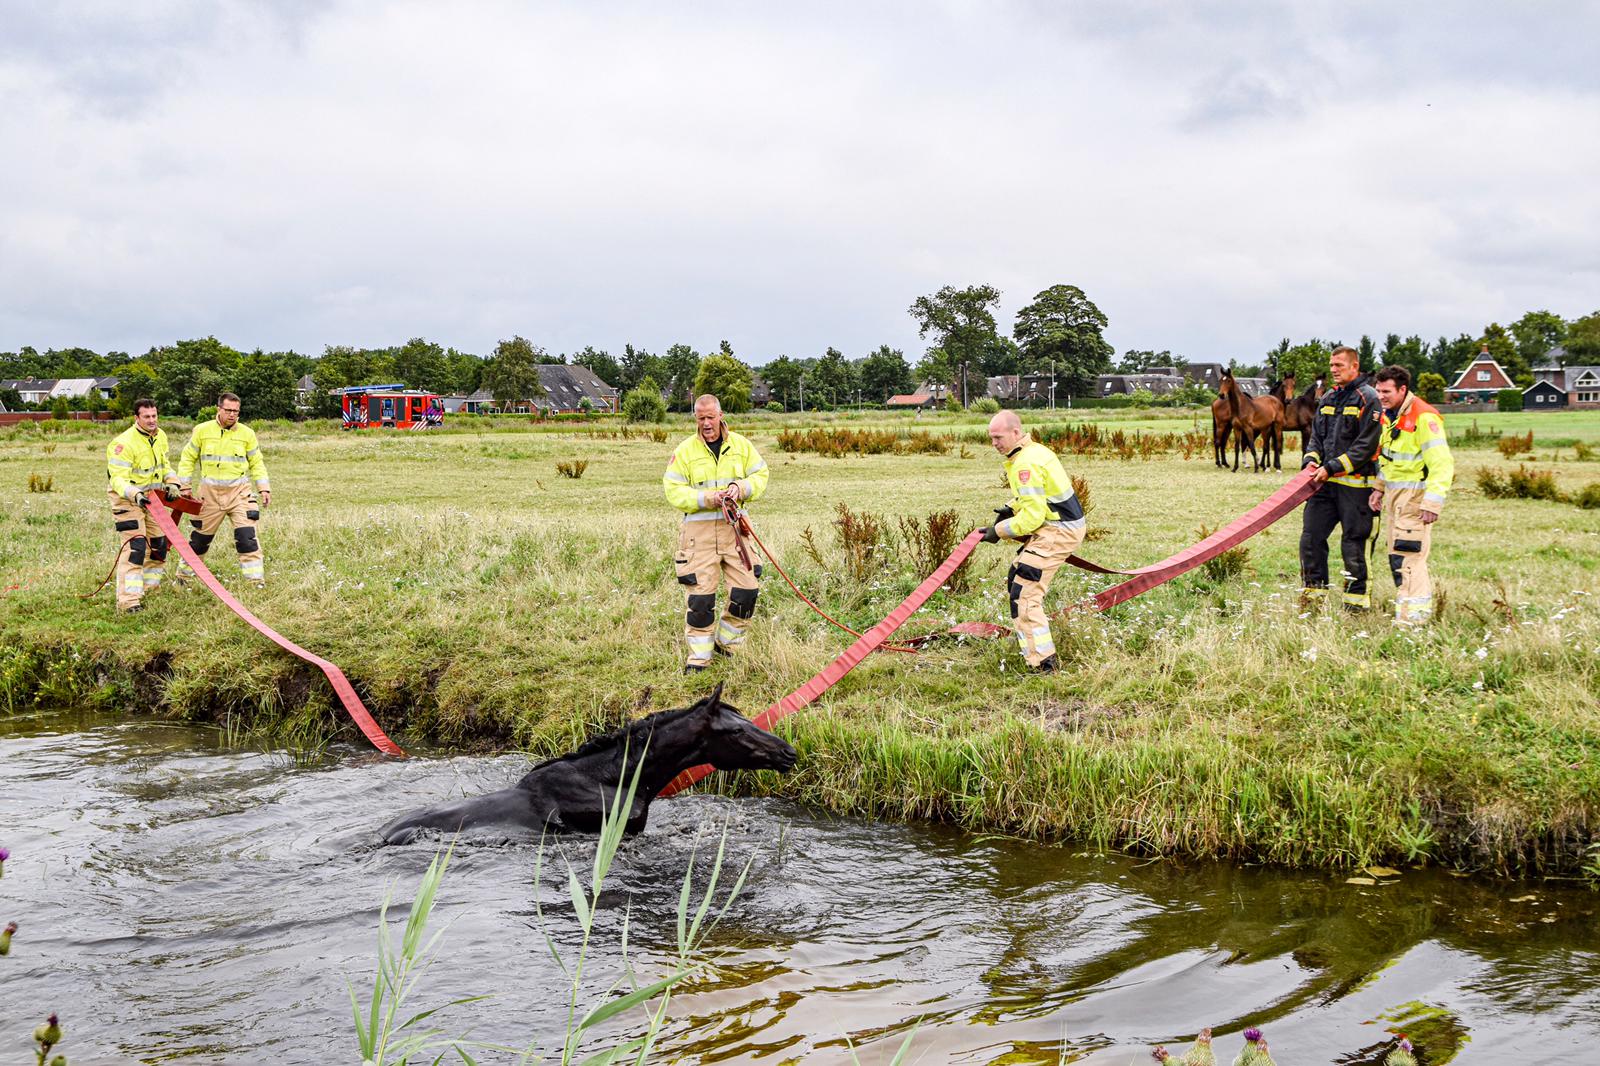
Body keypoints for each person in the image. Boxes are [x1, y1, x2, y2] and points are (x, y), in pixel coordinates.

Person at [662, 394, 770, 672]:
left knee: (747, 592)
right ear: (695, 418)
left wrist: (740, 488)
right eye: (701, 418)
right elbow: (673, 491)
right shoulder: (684, 451)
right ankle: (699, 659)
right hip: (699, 536)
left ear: (721, 415)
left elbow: (760, 475)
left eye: (711, 417)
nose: (707, 423)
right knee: (700, 601)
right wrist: (707, 498)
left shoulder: (742, 446)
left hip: (735, 532)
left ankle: (726, 645)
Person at [980, 410, 1086, 673]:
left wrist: (998, 531)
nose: (994, 443)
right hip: (1059, 526)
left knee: (1025, 593)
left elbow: (1032, 517)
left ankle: (1042, 665)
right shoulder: (1035, 451)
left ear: (1015, 432)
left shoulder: (1024, 464)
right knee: (1017, 575)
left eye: (998, 437)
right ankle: (1033, 648)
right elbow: (1038, 496)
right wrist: (1011, 507)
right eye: (991, 438)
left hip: (1057, 531)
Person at [1299, 345, 1383, 612]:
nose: (1333, 370)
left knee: (1354, 545)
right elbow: (1316, 437)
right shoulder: (1328, 398)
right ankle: (1312, 600)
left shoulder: (1369, 399)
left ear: (1354, 366)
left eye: (1339, 365)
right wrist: (1311, 460)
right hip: (1324, 486)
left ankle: (1356, 607)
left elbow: (1365, 446)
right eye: (1331, 365)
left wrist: (1332, 467)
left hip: (1357, 488)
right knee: (1310, 539)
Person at [1368, 365, 1453, 624]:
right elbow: (1390, 458)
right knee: (1397, 554)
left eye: (1386, 391)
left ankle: (1413, 619)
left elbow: (1442, 463)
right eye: (1378, 390)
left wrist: (1432, 503)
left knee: (1409, 556)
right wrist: (1379, 488)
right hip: (1395, 497)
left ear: (1402, 389)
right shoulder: (1390, 416)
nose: (1380, 396)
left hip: (1415, 496)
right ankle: (1409, 613)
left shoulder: (1424, 417)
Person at [173, 392, 272, 588]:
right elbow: (188, 458)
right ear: (219, 409)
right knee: (199, 540)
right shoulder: (202, 430)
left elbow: (257, 462)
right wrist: (184, 486)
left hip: (239, 494)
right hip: (209, 496)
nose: (232, 414)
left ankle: (256, 582)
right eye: (228, 410)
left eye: (236, 411)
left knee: (247, 538)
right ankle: (183, 578)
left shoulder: (247, 434)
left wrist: (264, 488)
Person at [104, 398, 181, 613]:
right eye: (146, 416)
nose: (152, 420)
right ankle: (129, 601)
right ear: (136, 418)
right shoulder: (123, 443)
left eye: (154, 415)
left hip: (152, 500)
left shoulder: (160, 436)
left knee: (159, 546)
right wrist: (135, 494)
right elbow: (117, 479)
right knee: (135, 548)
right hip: (127, 499)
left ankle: (150, 588)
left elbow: (165, 465)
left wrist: (172, 482)